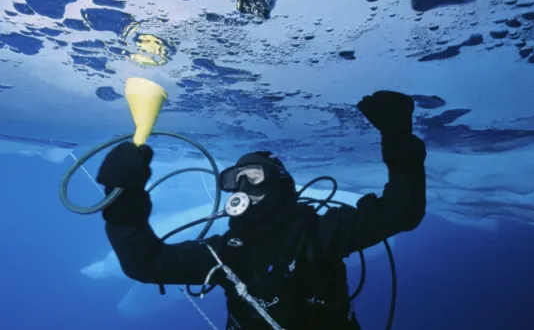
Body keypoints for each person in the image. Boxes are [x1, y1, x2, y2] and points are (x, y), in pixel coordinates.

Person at [96, 90, 427, 330]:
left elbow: (403, 210)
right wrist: (123, 203)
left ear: (280, 186)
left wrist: (397, 136)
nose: (242, 189)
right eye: (234, 180)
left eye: (253, 177)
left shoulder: (322, 232)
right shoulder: (225, 251)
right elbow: (146, 264)